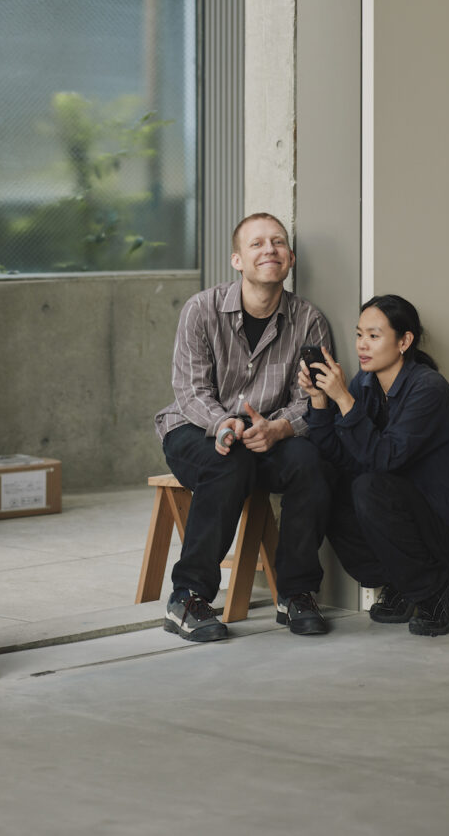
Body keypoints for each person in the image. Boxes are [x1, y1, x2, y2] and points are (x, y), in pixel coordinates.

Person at [154, 212, 334, 642]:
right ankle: (188, 597)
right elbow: (190, 389)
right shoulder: (201, 309)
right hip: (196, 429)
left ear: (289, 258)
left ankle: (296, 593)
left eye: (277, 243)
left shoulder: (309, 320)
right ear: (237, 259)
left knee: (312, 460)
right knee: (229, 462)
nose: (268, 250)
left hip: (269, 435)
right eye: (256, 244)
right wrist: (224, 423)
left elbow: (309, 399)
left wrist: (277, 430)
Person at [299, 294, 449, 637]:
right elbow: (338, 456)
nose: (362, 345)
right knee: (326, 480)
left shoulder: (429, 389)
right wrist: (320, 400)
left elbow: (383, 459)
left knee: (370, 485)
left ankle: (436, 589)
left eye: (374, 336)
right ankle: (401, 583)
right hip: (412, 516)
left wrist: (343, 399)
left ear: (404, 341)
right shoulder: (367, 384)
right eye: (359, 335)